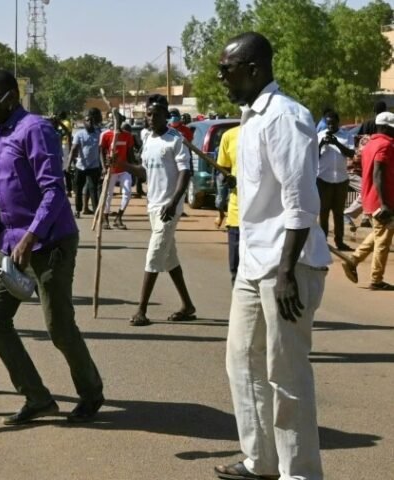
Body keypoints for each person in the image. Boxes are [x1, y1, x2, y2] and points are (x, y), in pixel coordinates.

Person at [214, 31, 332, 480]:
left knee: (286, 373)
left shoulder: (285, 117)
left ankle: (299, 473)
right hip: (255, 262)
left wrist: (285, 273)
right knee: (241, 359)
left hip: (288, 266)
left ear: (254, 69)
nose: (222, 77)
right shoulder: (250, 121)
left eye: (227, 69)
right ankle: (260, 459)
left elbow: (301, 202)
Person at [0, 69, 104, 425]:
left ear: (12, 96)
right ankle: (37, 397)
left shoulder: (36, 129)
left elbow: (54, 191)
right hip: (10, 242)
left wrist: (32, 235)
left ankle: (90, 392)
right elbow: (8, 196)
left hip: (50, 242)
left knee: (59, 327)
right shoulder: (0, 134)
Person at [129, 95, 197, 327]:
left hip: (169, 208)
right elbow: (145, 172)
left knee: (154, 253)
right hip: (153, 205)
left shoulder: (175, 140)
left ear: (165, 116)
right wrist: (122, 165)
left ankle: (141, 310)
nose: (151, 118)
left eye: (156, 114)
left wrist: (174, 200)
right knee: (169, 258)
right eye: (148, 114)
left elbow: (185, 172)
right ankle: (187, 305)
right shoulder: (147, 138)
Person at [341, 111, 394, 291]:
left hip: (369, 198)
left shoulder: (369, 144)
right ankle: (376, 279)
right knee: (383, 240)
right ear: (386, 128)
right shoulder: (386, 145)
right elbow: (378, 172)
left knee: (379, 234)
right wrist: (384, 202)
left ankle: (352, 260)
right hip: (382, 201)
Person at [316, 110, 354, 251]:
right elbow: (313, 157)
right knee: (323, 212)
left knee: (338, 213)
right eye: (328, 123)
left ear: (338, 122)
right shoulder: (320, 135)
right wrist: (321, 145)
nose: (330, 126)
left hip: (341, 180)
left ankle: (340, 241)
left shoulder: (346, 135)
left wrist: (336, 143)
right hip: (323, 180)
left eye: (333, 123)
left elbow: (351, 153)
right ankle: (323, 242)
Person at [99, 112, 136, 229]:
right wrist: (104, 168)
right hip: (111, 169)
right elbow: (101, 152)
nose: (116, 121)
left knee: (127, 193)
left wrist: (133, 168)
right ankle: (105, 218)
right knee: (108, 194)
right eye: (114, 119)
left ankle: (119, 217)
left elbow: (130, 153)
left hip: (124, 169)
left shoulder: (128, 136)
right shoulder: (105, 135)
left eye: (118, 119)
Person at [215, 125, 242, 284]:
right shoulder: (230, 136)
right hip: (236, 217)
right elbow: (222, 170)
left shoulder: (273, 134)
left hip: (265, 221)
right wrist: (226, 178)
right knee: (236, 271)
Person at [68, 108, 103, 218]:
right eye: (87, 121)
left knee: (94, 190)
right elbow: (74, 150)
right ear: (84, 122)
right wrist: (69, 164)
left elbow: (101, 150)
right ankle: (78, 210)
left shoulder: (98, 134)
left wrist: (103, 165)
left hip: (94, 167)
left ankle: (96, 211)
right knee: (78, 190)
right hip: (81, 167)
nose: (90, 123)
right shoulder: (79, 134)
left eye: (91, 121)